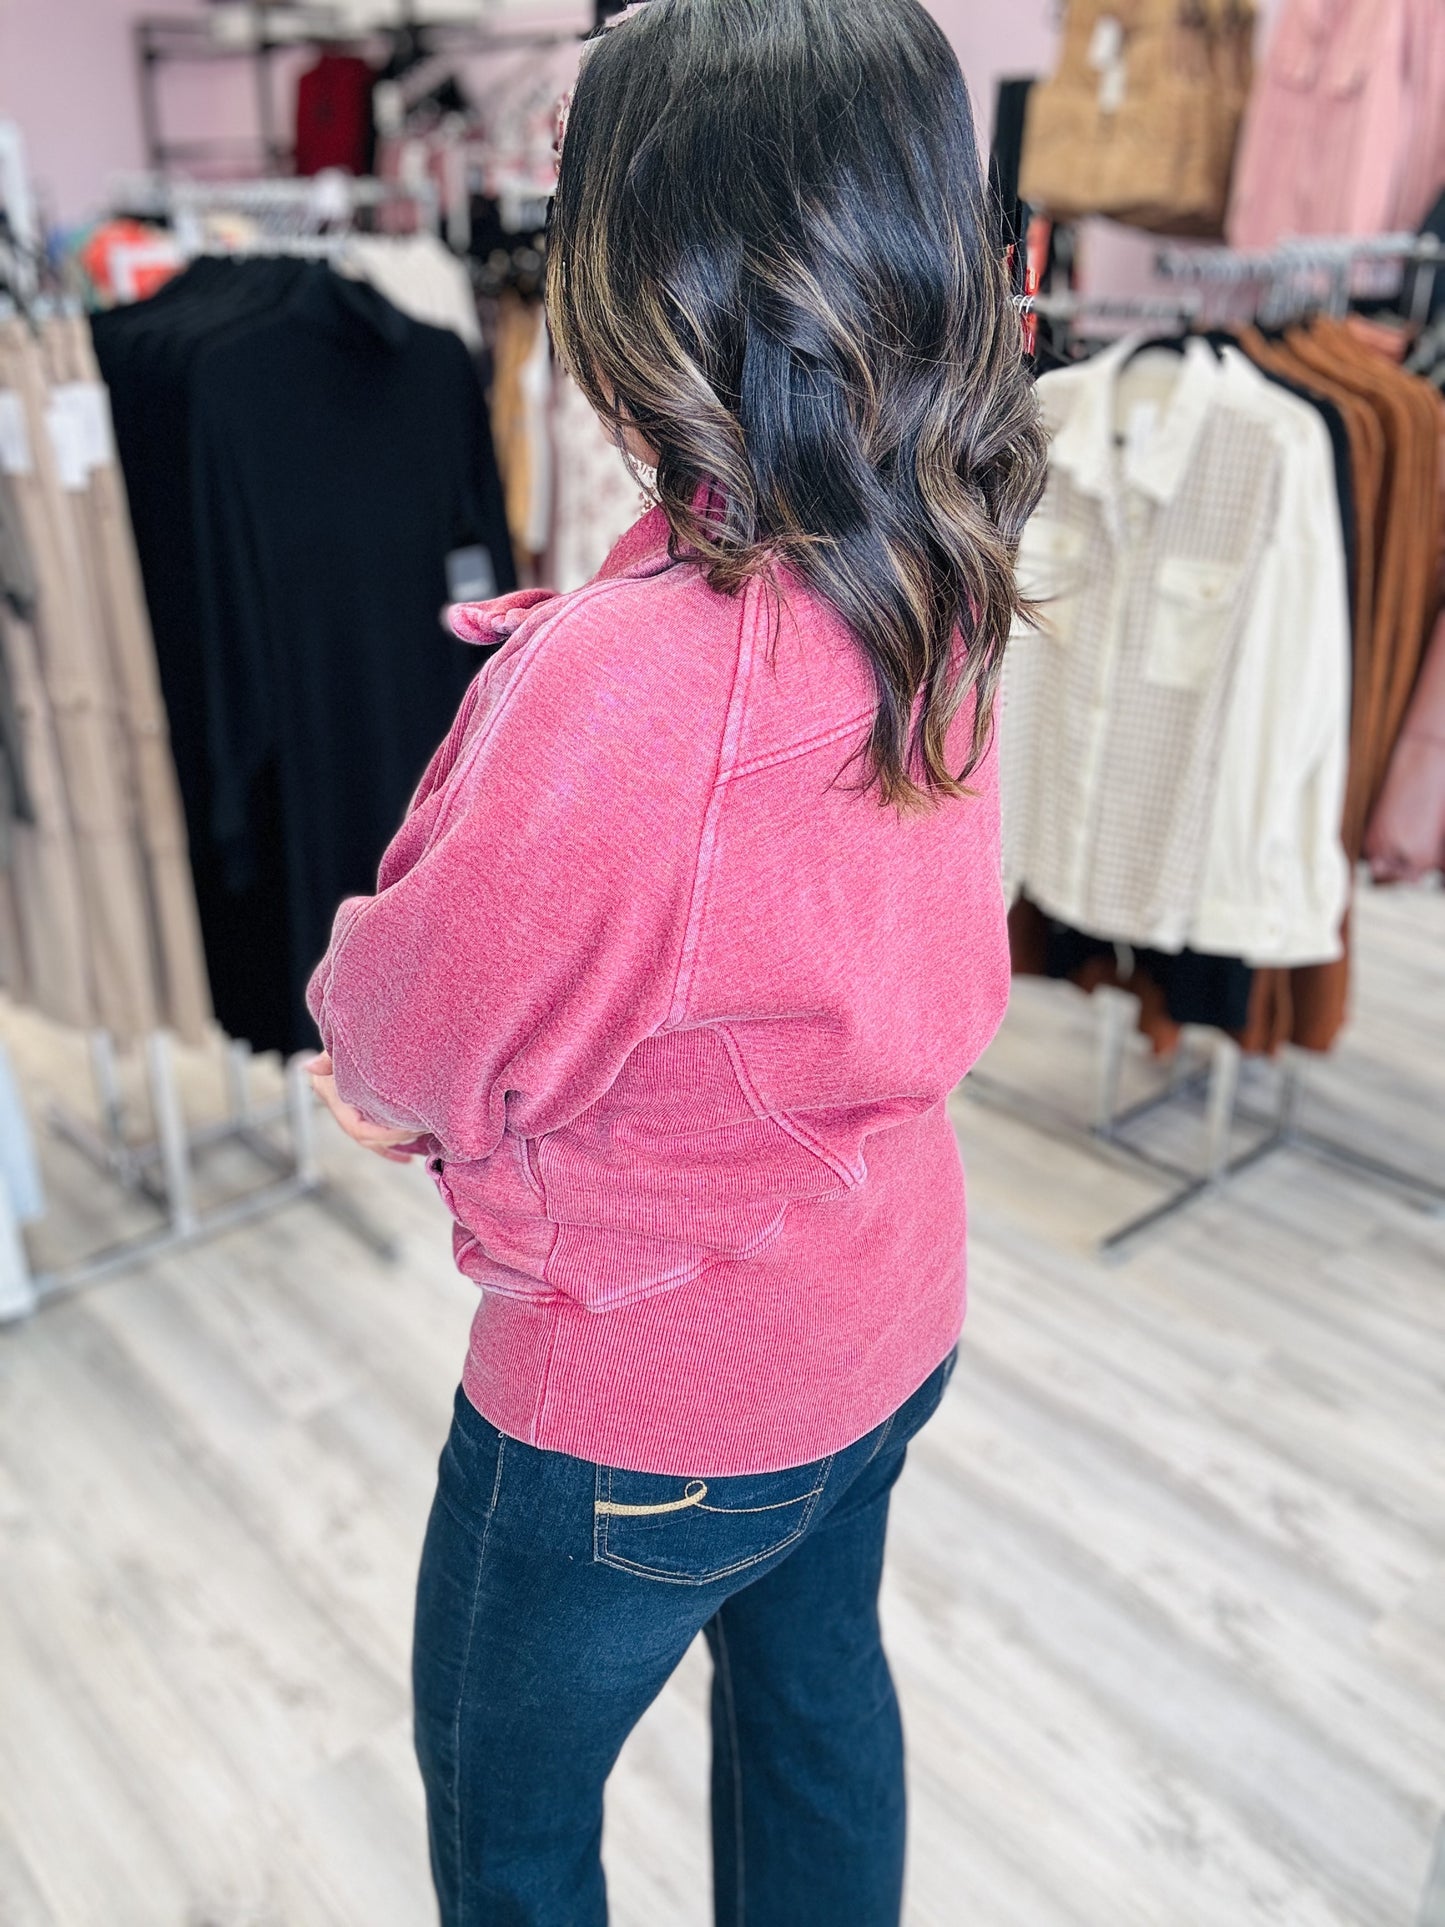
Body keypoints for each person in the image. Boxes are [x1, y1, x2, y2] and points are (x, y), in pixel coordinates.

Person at [305, 1, 1046, 1920]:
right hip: (884, 1307)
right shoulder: (933, 545)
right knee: (815, 1705)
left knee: (511, 1824)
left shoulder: (632, 685)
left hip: (648, 1401)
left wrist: (374, 1066)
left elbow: (412, 1031)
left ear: (646, 280)